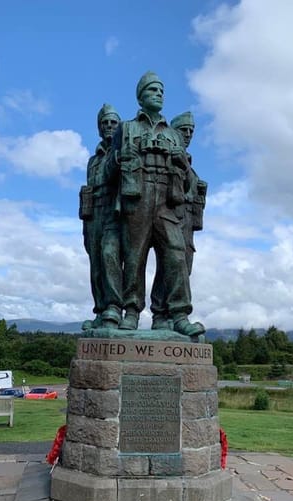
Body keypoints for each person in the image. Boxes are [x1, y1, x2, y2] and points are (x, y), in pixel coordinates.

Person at [105, 71, 204, 337]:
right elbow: (106, 174)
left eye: (161, 91)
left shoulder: (173, 135)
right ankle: (131, 311)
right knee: (134, 256)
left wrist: (181, 163)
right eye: (152, 90)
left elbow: (186, 185)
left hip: (166, 201)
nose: (158, 94)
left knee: (175, 253)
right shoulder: (126, 128)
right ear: (140, 96)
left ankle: (176, 314)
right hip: (136, 197)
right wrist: (118, 160)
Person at [150, 111, 207, 329]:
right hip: (167, 217)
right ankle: (162, 314)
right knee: (171, 264)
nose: (188, 134)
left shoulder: (188, 165)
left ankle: (167, 316)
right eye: (184, 130)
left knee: (181, 267)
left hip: (187, 225)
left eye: (191, 131)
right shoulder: (168, 160)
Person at [80, 104, 122, 329]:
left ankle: (115, 308)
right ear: (99, 127)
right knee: (96, 264)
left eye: (113, 122)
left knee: (109, 255)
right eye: (104, 123)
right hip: (92, 214)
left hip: (113, 213)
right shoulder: (92, 160)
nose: (108, 126)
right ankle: (101, 311)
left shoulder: (122, 152)